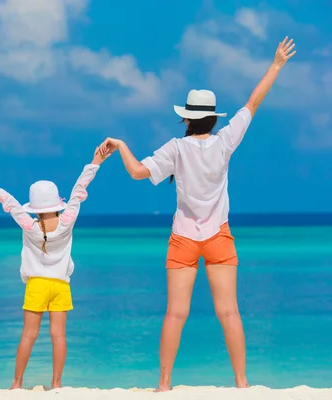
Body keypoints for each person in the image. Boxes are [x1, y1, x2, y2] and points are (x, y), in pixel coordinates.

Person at [98, 37, 296, 391]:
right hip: (218, 236)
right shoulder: (225, 142)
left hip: (183, 239)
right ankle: (241, 383)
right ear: (213, 118)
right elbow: (253, 102)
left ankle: (163, 384)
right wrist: (277, 64)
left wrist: (123, 145)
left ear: (187, 118)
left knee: (175, 314)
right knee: (229, 313)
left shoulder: (175, 149)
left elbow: (137, 173)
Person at [0, 148, 109, 390]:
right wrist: (96, 161)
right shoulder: (67, 220)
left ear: (34, 206)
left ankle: (17, 383)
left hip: (37, 285)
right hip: (61, 286)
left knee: (28, 335)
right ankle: (57, 383)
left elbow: (9, 203)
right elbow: (79, 190)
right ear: (55, 202)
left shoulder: (29, 225)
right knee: (58, 336)